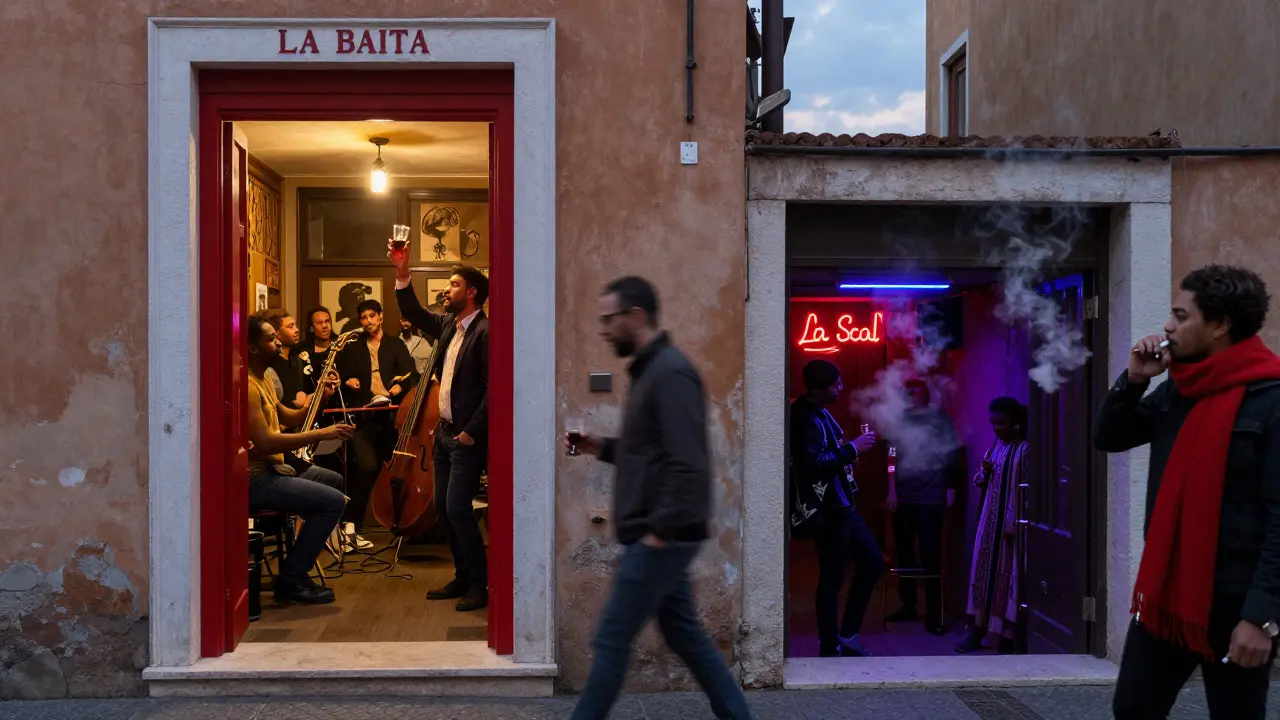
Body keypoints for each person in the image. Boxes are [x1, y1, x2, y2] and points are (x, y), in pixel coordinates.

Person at [561, 276, 751, 720]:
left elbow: (688, 462)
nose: (604, 329)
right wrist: (599, 447)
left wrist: (659, 535)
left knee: (611, 639)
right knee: (685, 636)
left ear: (637, 317)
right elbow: (649, 452)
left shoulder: (669, 372)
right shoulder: (651, 370)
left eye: (610, 319)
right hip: (660, 532)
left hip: (659, 534)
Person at [1097, 265, 1280, 720]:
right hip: (1167, 595)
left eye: (1180, 316)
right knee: (1134, 709)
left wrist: (1260, 618)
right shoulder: (1179, 391)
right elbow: (1110, 436)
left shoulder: (1272, 400)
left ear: (1220, 325)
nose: (1167, 326)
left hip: (1236, 603)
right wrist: (1135, 380)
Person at [390, 240, 490, 612]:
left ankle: (480, 583)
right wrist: (402, 273)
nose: (446, 290)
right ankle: (463, 576)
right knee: (444, 510)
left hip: (465, 438)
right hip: (444, 435)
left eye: (453, 285)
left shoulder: (484, 332)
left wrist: (471, 430)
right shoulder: (448, 324)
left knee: (459, 509)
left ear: (471, 292)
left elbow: (494, 390)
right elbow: (413, 311)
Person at [246, 314, 354, 604]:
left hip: (274, 468)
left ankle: (299, 549)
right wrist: (325, 432)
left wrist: (321, 397)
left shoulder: (264, 377)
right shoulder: (246, 386)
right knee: (331, 502)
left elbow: (290, 417)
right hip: (256, 479)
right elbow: (267, 441)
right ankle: (292, 579)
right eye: (270, 338)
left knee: (334, 480)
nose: (278, 341)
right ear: (253, 348)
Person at [789, 359, 881, 657]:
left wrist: (848, 452)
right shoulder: (805, 417)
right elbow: (813, 465)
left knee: (871, 563)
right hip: (829, 511)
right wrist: (853, 448)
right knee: (832, 578)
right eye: (836, 384)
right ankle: (832, 644)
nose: (841, 388)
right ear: (820, 388)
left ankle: (846, 635)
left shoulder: (818, 413)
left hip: (841, 506)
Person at [335, 299, 419, 551]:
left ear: (381, 317)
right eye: (363, 317)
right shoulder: (352, 347)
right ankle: (351, 526)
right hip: (363, 418)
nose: (368, 321)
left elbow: (411, 375)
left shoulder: (395, 344)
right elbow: (339, 375)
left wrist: (397, 387)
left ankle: (405, 525)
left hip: (392, 419)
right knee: (366, 468)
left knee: (400, 471)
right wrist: (347, 382)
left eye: (372, 316)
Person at [884, 379, 962, 636]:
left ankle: (934, 614)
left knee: (930, 555)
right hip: (904, 497)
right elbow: (891, 458)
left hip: (931, 497)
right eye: (909, 393)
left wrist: (950, 487)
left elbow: (952, 454)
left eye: (917, 393)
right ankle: (908, 606)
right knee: (904, 553)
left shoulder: (939, 420)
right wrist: (892, 488)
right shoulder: (899, 421)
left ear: (925, 395)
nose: (912, 397)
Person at [956, 396, 1027, 654]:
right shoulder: (996, 446)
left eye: (1002, 423)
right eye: (993, 423)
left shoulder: (1024, 450)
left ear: (1015, 422)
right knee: (982, 573)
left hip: (1010, 524)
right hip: (989, 521)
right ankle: (977, 630)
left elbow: (1027, 490)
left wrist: (1013, 519)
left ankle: (1007, 636)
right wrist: (983, 471)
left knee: (1007, 576)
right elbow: (980, 479)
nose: (996, 428)